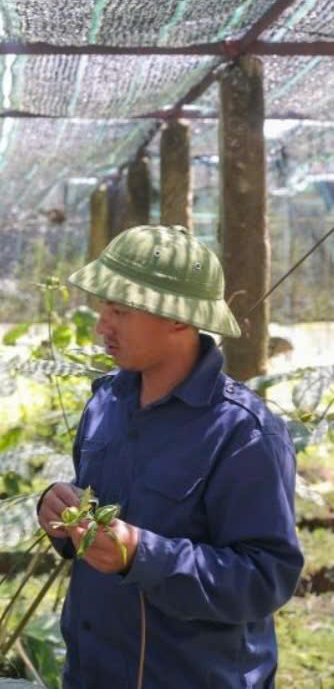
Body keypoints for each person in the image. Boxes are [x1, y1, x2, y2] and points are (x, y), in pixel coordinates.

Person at [36, 225, 304, 687]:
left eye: (119, 310)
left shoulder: (243, 432)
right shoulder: (105, 403)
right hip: (94, 670)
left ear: (178, 319)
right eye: (104, 307)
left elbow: (265, 578)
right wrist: (61, 515)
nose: (103, 324)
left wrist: (143, 553)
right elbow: (97, 518)